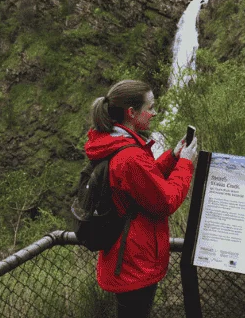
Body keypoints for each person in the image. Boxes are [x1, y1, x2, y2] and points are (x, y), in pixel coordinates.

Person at [84, 79, 198, 318]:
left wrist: (173, 157)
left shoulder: (116, 143)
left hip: (123, 256)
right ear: (132, 113)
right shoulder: (130, 156)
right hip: (134, 261)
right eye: (150, 107)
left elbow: (141, 183)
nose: (154, 113)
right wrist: (186, 164)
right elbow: (165, 200)